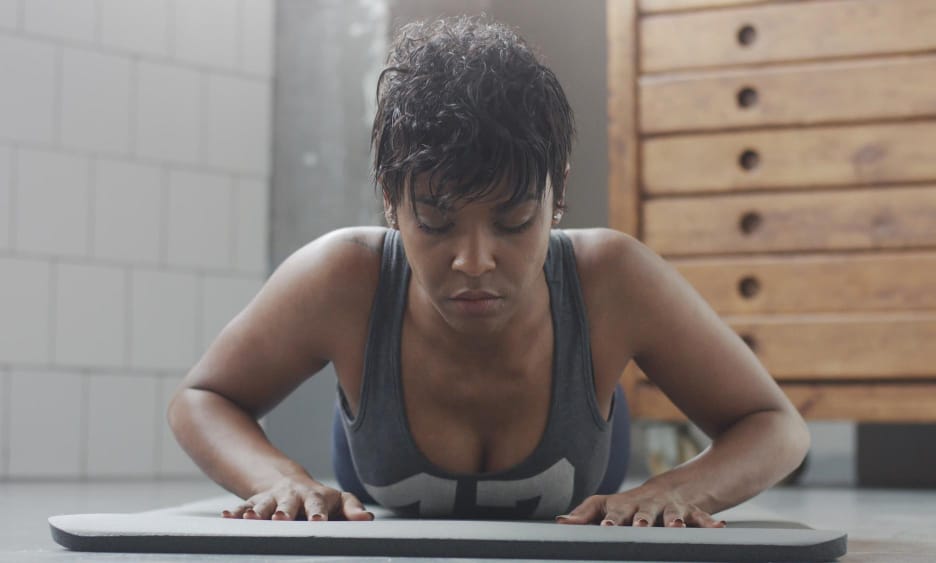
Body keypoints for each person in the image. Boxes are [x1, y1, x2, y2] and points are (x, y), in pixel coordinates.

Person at [167, 15, 809, 528]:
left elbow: (776, 426)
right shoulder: (344, 275)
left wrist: (673, 489)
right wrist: (279, 479)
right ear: (391, 202)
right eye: (437, 224)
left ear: (557, 198)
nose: (474, 261)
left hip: (590, 441)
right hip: (369, 452)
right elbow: (202, 398)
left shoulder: (611, 276)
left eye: (513, 222)